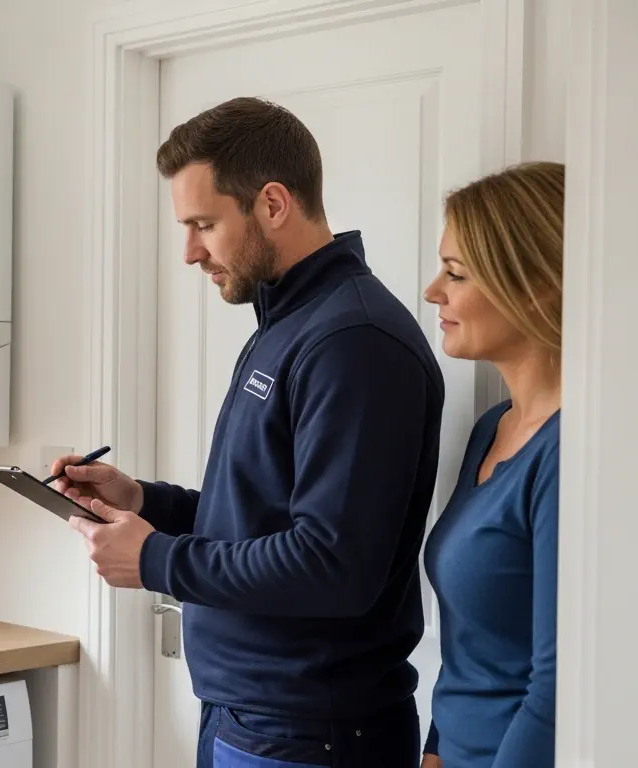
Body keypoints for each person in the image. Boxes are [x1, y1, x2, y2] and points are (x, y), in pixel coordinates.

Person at [52, 96, 446, 767]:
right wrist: (144, 501)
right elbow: (262, 520)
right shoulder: (287, 328)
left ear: (271, 204)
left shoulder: (353, 341)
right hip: (252, 720)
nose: (188, 252)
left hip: (311, 734)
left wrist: (155, 560)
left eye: (204, 223)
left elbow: (332, 566)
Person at [419, 162, 563, 768]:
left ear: (538, 286)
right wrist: (433, 748)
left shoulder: (568, 452)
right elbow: (468, 653)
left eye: (456, 273)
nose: (433, 291)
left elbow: (558, 685)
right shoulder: (491, 428)